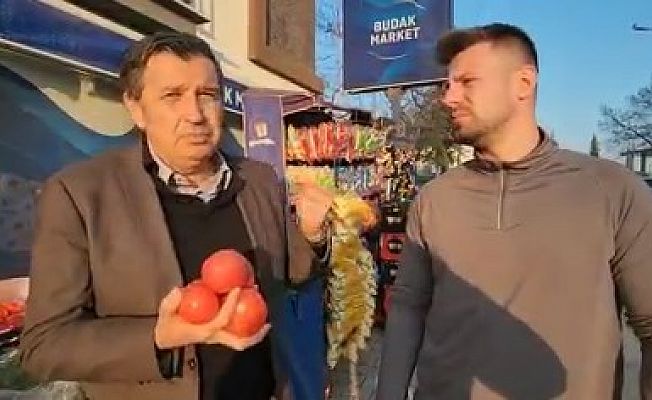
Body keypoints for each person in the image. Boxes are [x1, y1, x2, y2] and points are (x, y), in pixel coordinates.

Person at [19, 32, 333, 400]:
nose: (195, 114)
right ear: (136, 109)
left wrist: (312, 234)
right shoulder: (80, 195)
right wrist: (157, 338)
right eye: (172, 96)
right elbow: (44, 344)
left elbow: (287, 276)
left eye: (207, 95)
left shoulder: (259, 180)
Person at [377, 23, 652, 399]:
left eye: (467, 82)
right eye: (447, 85)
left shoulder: (611, 190)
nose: (448, 97)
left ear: (523, 83)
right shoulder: (434, 199)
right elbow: (408, 306)